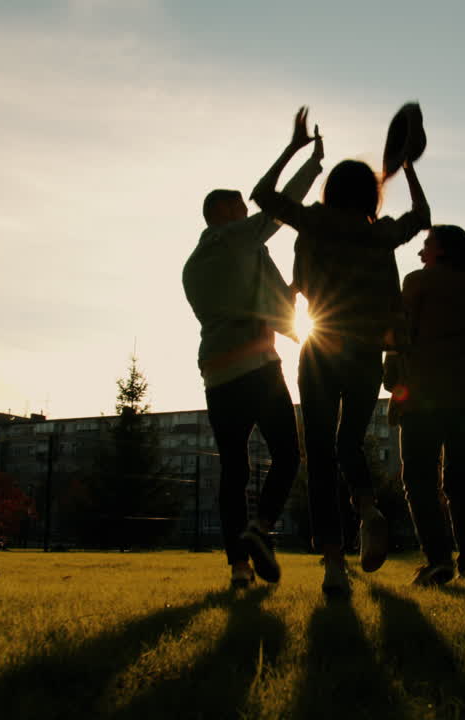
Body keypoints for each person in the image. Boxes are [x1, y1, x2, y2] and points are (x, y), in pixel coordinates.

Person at [252, 111, 430, 597]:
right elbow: (422, 217)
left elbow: (262, 195)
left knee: (321, 454)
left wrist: (293, 149)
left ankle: (334, 565)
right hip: (366, 351)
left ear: (330, 191)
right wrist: (407, 168)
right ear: (370, 196)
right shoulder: (379, 233)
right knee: (349, 441)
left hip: (321, 348)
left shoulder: (314, 221)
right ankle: (368, 509)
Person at [182, 107, 323, 589]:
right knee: (287, 454)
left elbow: (264, 306)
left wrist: (297, 318)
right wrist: (306, 158)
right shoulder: (235, 240)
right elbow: (280, 205)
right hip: (257, 367)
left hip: (217, 372)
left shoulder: (196, 263)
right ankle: (260, 528)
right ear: (223, 213)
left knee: (234, 469)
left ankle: (239, 568)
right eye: (242, 208)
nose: (250, 214)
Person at [396, 225, 465, 585]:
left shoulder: (418, 282)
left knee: (419, 478)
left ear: (443, 250)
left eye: (426, 245)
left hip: (424, 393)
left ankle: (438, 560)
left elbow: (400, 334)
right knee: (459, 482)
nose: (420, 253)